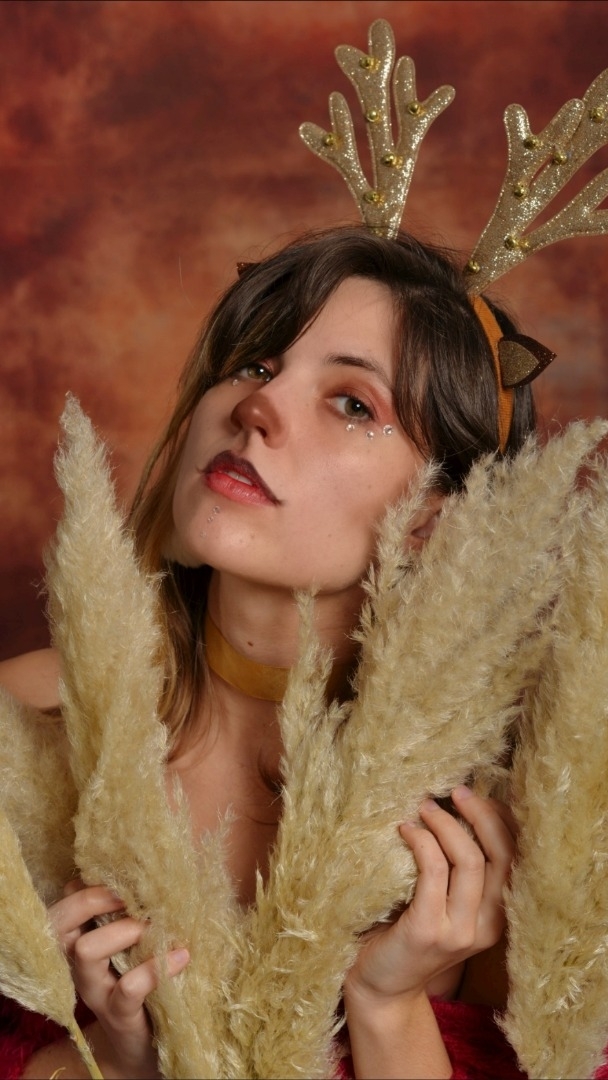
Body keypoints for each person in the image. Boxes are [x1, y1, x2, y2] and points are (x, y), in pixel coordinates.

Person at [0, 227, 548, 1079]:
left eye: (353, 404)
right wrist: (110, 1061)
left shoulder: (495, 827)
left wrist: (387, 1004)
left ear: (432, 521)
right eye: (256, 364)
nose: (256, 407)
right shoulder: (28, 724)